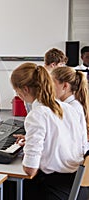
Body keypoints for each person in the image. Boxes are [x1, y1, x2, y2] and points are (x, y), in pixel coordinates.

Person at [11, 62, 87, 200]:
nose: (17, 95)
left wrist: (29, 150)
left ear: (25, 89)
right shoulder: (67, 108)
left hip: (53, 188)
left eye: (16, 91)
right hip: (75, 184)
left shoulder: (37, 114)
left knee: (9, 187)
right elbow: (65, 140)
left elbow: (30, 169)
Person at [51, 67, 89, 149]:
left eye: (52, 83)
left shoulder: (70, 108)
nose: (49, 87)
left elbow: (63, 140)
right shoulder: (71, 104)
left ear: (65, 86)